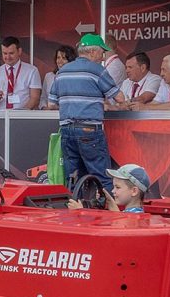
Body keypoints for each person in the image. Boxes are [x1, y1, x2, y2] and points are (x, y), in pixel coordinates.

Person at [49, 33, 119, 193]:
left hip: (66, 130)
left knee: (72, 178)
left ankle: (75, 211)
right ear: (92, 52)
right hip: (89, 130)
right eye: (102, 52)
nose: (102, 57)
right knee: (102, 177)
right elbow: (119, 97)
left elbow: (51, 103)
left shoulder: (62, 71)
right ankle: (108, 213)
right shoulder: (97, 70)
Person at [0, 36, 41, 110]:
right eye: (5, 53)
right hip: (1, 117)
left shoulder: (32, 71)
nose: (8, 57)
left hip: (23, 117)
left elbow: (35, 99)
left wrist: (20, 115)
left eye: (11, 53)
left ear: (19, 51)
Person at [67, 163, 150, 213]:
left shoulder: (133, 218)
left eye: (117, 187)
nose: (113, 191)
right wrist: (109, 201)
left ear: (134, 191)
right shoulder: (133, 213)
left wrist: (80, 211)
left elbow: (119, 222)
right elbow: (118, 216)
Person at [40, 45, 76, 110]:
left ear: (71, 60)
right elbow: (43, 98)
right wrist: (44, 108)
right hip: (49, 115)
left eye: (64, 58)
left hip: (68, 115)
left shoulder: (76, 77)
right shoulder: (49, 76)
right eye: (58, 57)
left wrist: (58, 108)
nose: (60, 61)